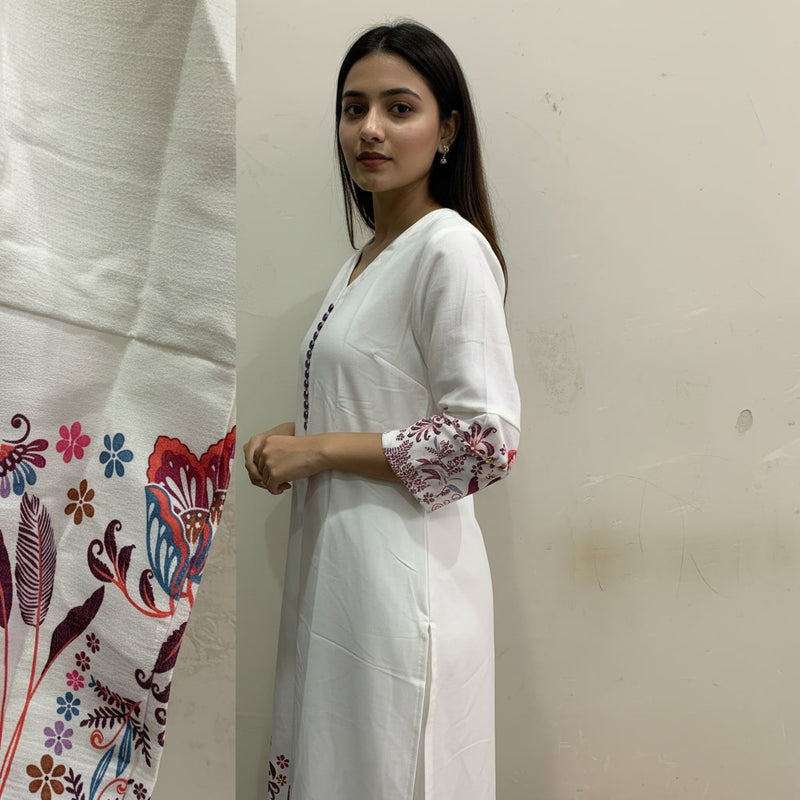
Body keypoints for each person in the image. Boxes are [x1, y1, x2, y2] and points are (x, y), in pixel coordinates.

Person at [244, 20, 521, 800]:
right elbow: (382, 403)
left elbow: (484, 440)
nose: (368, 128)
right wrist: (297, 437)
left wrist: (322, 451)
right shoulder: (365, 261)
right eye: (352, 107)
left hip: (406, 595)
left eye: (399, 108)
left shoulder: (449, 249)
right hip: (343, 584)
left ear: (448, 130)